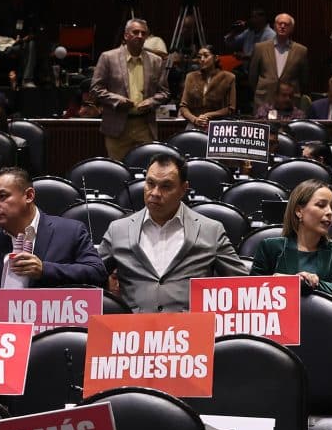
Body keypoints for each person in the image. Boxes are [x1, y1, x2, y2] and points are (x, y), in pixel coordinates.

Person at [99, 153, 247, 313]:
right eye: (150, 183)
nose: (155, 193)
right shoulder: (118, 230)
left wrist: (274, 285)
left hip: (190, 332)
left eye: (166, 186)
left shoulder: (210, 230)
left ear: (184, 189)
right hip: (135, 331)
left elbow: (244, 286)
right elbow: (90, 278)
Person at [0, 166, 107, 296]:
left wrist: (44, 270)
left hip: (52, 321)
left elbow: (97, 273)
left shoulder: (71, 232)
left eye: (2, 196)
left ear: (29, 196)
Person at [250, 179, 332, 302]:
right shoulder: (270, 247)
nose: (329, 212)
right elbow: (252, 294)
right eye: (321, 205)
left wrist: (310, 283)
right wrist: (277, 282)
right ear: (299, 211)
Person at [90, 18, 169, 161]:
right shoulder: (108, 57)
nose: (140, 36)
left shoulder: (155, 61)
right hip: (117, 126)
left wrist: (151, 102)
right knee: (118, 172)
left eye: (143, 33)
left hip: (144, 126)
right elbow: (96, 88)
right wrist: (117, 100)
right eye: (136, 32)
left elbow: (164, 92)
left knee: (146, 171)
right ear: (126, 35)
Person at [248, 13, 308, 115]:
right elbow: (252, 76)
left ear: (292, 28)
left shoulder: (301, 50)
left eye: (286, 24)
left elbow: (304, 79)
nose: (282, 26)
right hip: (264, 98)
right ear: (274, 26)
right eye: (280, 23)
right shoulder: (260, 48)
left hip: (290, 101)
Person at [179, 45, 236, 130]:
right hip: (195, 123)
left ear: (216, 58)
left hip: (218, 125)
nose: (202, 59)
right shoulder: (191, 77)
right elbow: (183, 106)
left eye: (206, 56)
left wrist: (208, 115)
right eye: (199, 57)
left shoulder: (228, 77)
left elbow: (231, 108)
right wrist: (195, 119)